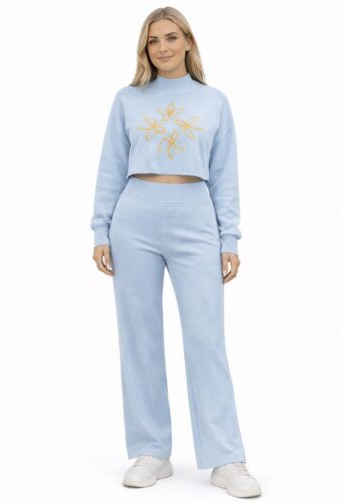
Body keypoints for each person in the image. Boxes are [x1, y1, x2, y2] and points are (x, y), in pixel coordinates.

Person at [90, 7, 262, 499]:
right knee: (139, 337)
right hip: (135, 218)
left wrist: (229, 239)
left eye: (170, 37)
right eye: (153, 41)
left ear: (187, 41)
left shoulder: (214, 101)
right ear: (144, 49)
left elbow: (225, 174)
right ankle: (151, 450)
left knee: (206, 340)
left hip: (195, 217)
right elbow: (111, 166)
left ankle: (226, 457)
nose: (162, 47)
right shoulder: (127, 99)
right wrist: (101, 229)